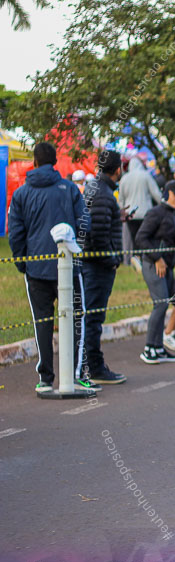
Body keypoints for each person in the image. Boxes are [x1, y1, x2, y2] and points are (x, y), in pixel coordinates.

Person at [7, 142, 96, 393]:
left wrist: (22, 261)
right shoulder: (69, 189)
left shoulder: (22, 193)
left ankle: (46, 378)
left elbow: (16, 233)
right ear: (55, 162)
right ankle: (77, 374)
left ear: (34, 162)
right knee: (77, 318)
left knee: (42, 322)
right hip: (69, 267)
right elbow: (84, 224)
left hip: (36, 269)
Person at [80, 149, 127, 385]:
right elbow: (97, 235)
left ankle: (88, 364)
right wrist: (111, 259)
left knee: (91, 316)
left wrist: (118, 217)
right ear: (117, 169)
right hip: (97, 265)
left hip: (94, 263)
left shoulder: (96, 189)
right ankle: (93, 367)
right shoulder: (104, 194)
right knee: (94, 317)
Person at [135, 180, 175, 364]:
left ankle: (158, 348)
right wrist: (157, 258)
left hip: (169, 266)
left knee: (164, 304)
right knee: (161, 304)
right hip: (153, 264)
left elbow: (169, 239)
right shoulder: (155, 213)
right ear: (167, 194)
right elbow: (141, 238)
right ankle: (149, 348)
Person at [118, 155, 162, 244]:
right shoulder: (146, 175)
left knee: (134, 241)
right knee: (146, 241)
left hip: (130, 215)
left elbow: (121, 199)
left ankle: (136, 257)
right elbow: (157, 194)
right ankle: (143, 257)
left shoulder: (124, 178)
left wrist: (123, 213)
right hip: (146, 214)